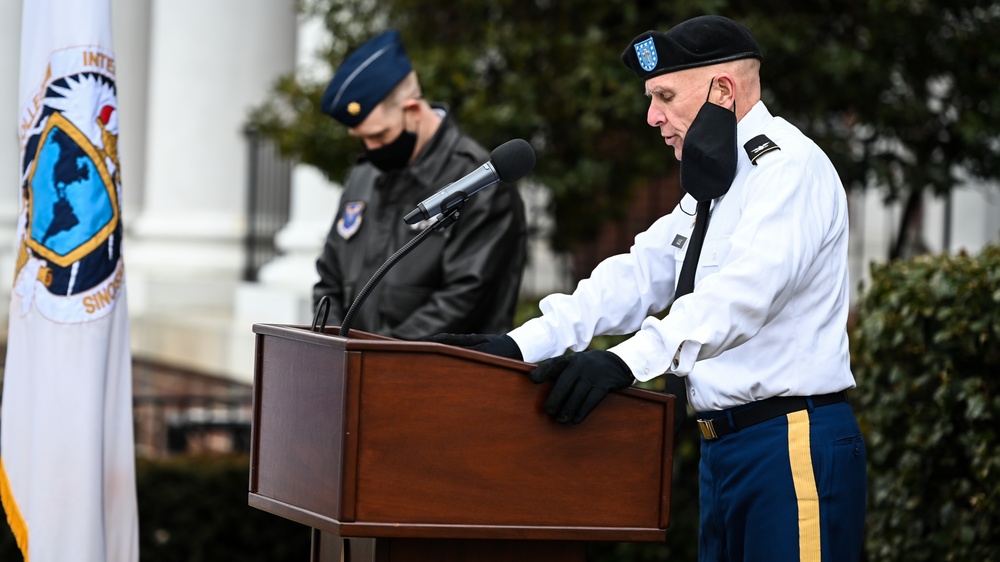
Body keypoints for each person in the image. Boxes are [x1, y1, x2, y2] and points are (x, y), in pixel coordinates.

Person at [428, 15, 867, 562]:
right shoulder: (715, 179)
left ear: (723, 91)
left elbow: (740, 299)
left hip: (787, 443)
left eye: (664, 95)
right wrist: (522, 344)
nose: (651, 116)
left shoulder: (789, 170)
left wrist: (624, 362)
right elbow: (637, 274)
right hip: (724, 449)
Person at [314, 30, 527, 339]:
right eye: (363, 139)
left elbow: (465, 299)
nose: (371, 149)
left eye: (379, 136)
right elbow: (328, 279)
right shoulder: (364, 175)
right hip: (356, 373)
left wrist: (377, 360)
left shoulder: (480, 180)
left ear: (413, 110)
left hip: (436, 378)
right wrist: (331, 348)